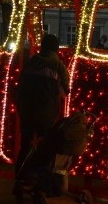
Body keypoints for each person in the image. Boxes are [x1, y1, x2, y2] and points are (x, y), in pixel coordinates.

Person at [15, 33, 70, 177]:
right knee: (43, 147)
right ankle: (38, 180)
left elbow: (20, 84)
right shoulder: (58, 66)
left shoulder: (31, 61)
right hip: (46, 113)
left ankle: (20, 178)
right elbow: (65, 91)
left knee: (25, 144)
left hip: (27, 110)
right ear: (56, 49)